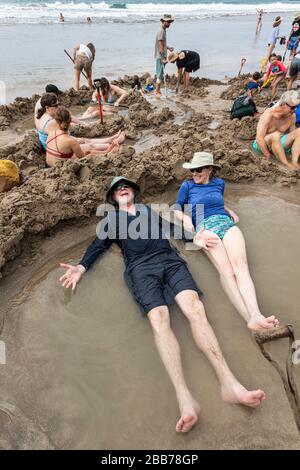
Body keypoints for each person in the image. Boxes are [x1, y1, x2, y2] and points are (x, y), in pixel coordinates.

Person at [59, 175, 267, 433]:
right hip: (140, 269)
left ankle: (230, 383)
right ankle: (185, 397)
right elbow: (98, 245)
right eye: (117, 188)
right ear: (113, 197)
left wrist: (194, 239)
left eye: (126, 186)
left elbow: (171, 228)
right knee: (159, 319)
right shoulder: (111, 220)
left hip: (170, 261)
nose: (122, 189)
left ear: (134, 192)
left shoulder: (148, 210)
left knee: (195, 309)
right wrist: (81, 267)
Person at [175, 152, 280, 332]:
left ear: (209, 169)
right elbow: (177, 207)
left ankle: (256, 314)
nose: (194, 173)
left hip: (226, 224)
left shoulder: (219, 183)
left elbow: (217, 201)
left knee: (241, 266)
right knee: (226, 270)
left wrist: (228, 209)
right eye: (192, 170)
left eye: (198, 169)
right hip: (205, 227)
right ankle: (249, 319)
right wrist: (185, 219)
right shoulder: (187, 186)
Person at [35, 96, 124, 154]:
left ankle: (109, 139)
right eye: (56, 106)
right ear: (47, 108)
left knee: (83, 140)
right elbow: (66, 138)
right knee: (89, 146)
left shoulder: (43, 115)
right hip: (56, 149)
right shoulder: (51, 123)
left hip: (54, 145)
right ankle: (112, 145)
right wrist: (78, 140)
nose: (58, 107)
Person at [45, 107, 123, 166]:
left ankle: (109, 141)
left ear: (56, 120)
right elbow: (84, 158)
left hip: (50, 163)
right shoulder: (71, 141)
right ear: (70, 121)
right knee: (90, 152)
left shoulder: (51, 132)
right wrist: (104, 152)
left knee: (85, 146)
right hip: (60, 167)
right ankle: (108, 151)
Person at [253, 90, 300, 169]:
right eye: (293, 107)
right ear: (284, 104)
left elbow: (293, 136)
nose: (295, 110)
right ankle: (286, 164)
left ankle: (294, 162)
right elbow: (259, 138)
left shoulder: (292, 116)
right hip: (263, 144)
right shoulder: (269, 114)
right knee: (276, 135)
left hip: (278, 143)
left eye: (297, 107)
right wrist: (268, 157)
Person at [154, 14, 174, 98]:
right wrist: (163, 58)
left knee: (161, 73)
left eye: (170, 22)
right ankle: (157, 91)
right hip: (160, 56)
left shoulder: (163, 30)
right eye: (168, 22)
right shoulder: (161, 31)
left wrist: (168, 48)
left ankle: (157, 90)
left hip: (162, 55)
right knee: (160, 73)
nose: (169, 23)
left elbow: (163, 44)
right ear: (163, 21)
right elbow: (160, 45)